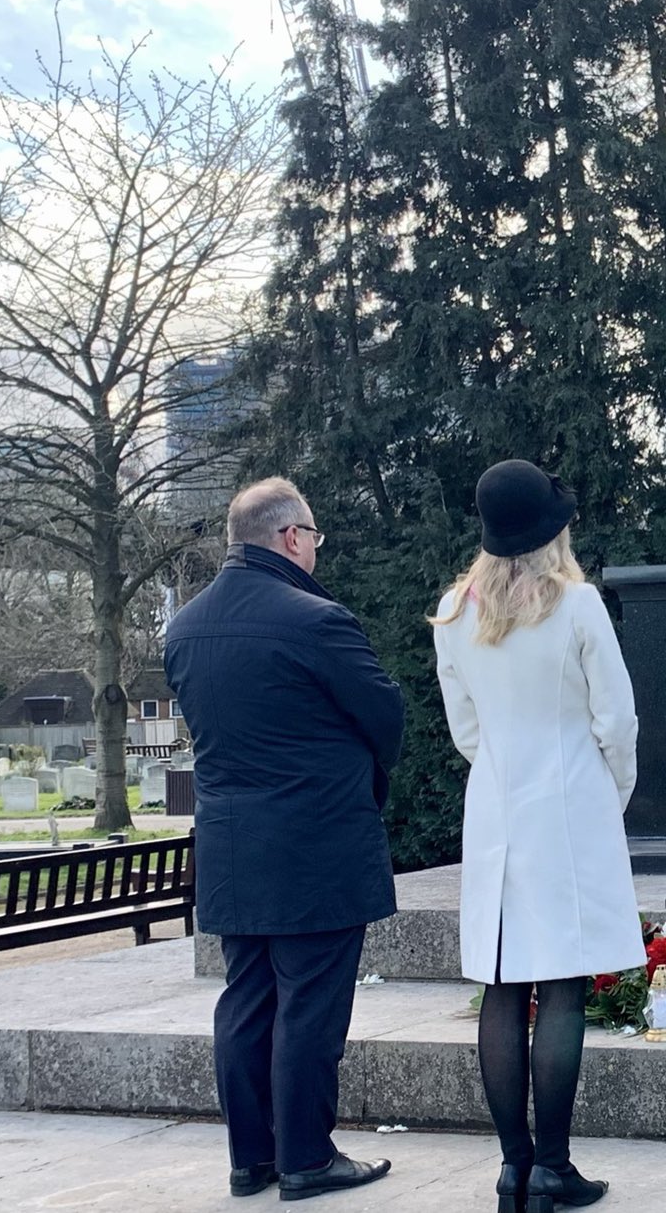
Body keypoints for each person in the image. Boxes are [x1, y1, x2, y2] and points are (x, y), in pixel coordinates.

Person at [166, 477, 405, 1202]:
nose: (315, 551)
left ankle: (252, 1159)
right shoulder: (314, 620)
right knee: (309, 1005)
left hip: (232, 845)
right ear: (291, 537)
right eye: (315, 538)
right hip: (316, 840)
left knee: (246, 1000)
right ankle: (306, 1158)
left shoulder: (184, 628)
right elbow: (385, 713)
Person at [430, 460, 641, 1213]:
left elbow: (465, 732)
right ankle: (552, 1167)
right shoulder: (578, 606)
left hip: (496, 805)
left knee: (502, 978)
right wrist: (608, 795)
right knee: (560, 983)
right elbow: (616, 722)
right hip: (569, 799)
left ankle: (513, 1170)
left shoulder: (454, 610)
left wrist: (506, 775)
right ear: (553, 530)